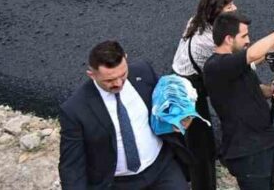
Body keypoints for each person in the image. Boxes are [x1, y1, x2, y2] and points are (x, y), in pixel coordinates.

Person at [58, 40, 189, 189]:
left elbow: (167, 100)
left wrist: (179, 117)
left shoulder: (143, 72)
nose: (119, 84)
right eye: (109, 80)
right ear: (91, 74)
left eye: (123, 75)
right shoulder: (74, 110)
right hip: (117, 183)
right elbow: (72, 165)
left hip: (161, 168)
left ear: (126, 59)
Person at [203, 12, 274, 190]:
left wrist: (271, 90)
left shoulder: (236, 66)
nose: (248, 40)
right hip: (248, 153)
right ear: (228, 39)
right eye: (244, 36)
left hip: (263, 143)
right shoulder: (216, 66)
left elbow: (256, 90)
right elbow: (252, 53)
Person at [171, 0, 238, 190]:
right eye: (229, 6)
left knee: (189, 134)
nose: (235, 8)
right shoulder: (210, 40)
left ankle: (183, 171)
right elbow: (240, 58)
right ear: (216, 13)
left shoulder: (195, 21)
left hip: (185, 77)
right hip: (191, 85)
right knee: (202, 145)